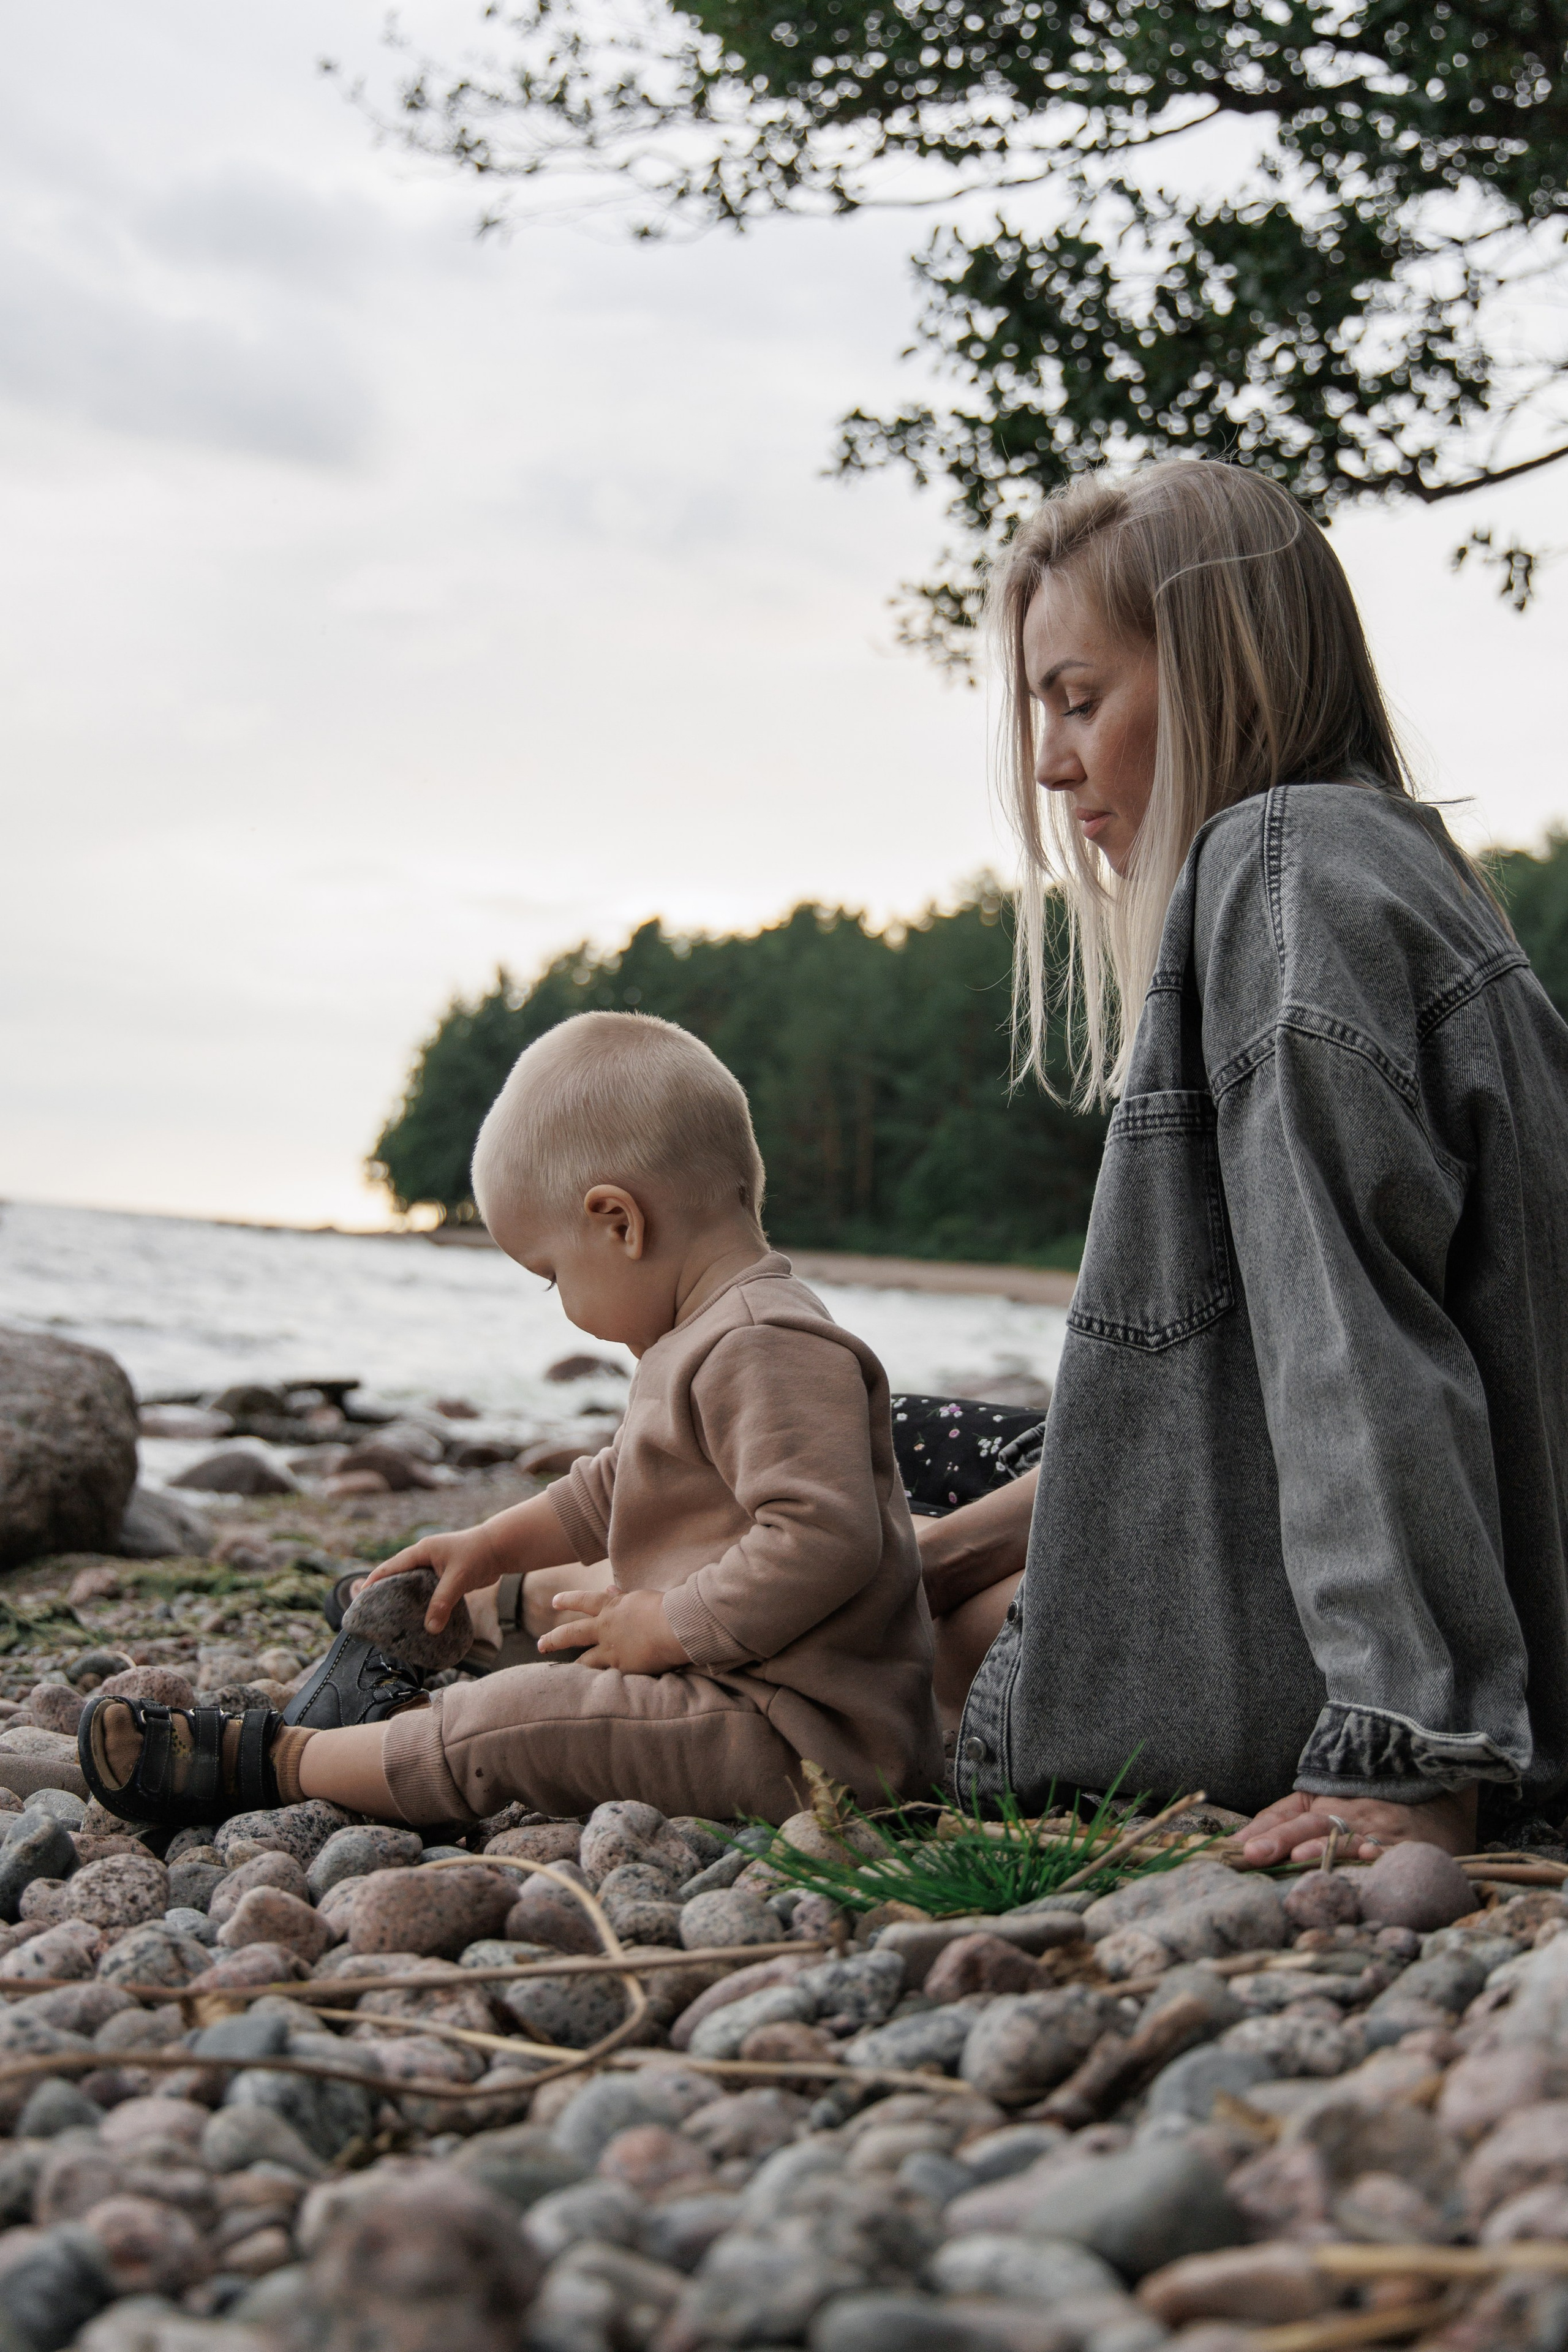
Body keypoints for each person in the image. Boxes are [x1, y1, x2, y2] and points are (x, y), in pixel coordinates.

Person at [924, 458, 1568, 1872]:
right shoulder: (1389, 870)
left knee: (737, 1513)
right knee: (871, 1451)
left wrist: (1403, 1752)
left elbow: (1356, 1332)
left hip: (1370, 1682)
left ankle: (404, 1692)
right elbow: (1238, 1382)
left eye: (1078, 699)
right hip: (1480, 1632)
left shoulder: (1275, 873)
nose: (1047, 762)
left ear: (1218, 669)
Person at [79, 1012, 942, 1829]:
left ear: (618, 1222)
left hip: (805, 1740)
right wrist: (491, 1546)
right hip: (735, 1678)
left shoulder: (763, 1344)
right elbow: (614, 1485)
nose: (560, 1301)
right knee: (578, 1611)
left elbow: (824, 1538)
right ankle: (475, 1622)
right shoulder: (710, 1335)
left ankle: (281, 1765)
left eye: (550, 1273)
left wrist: (668, 1624)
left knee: (512, 1721)